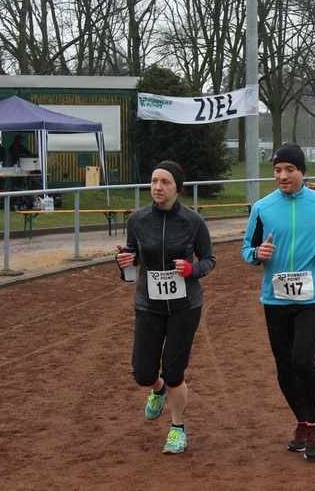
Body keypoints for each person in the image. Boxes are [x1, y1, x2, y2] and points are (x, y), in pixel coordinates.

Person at [242, 143, 315, 460]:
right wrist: (257, 254)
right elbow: (247, 249)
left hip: (312, 297)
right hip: (275, 299)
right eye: (278, 170)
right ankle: (302, 421)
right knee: (284, 367)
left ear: (302, 171)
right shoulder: (262, 208)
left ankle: (314, 425)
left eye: (290, 169)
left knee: (303, 359)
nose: (283, 176)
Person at [115, 161, 216, 455]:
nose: (157, 187)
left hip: (185, 306)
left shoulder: (193, 221)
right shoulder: (137, 219)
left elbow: (209, 260)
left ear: (178, 188)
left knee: (174, 372)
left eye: (165, 182)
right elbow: (133, 257)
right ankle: (157, 390)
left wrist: (191, 269)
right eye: (154, 181)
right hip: (149, 304)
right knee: (143, 372)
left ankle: (177, 428)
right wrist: (124, 262)